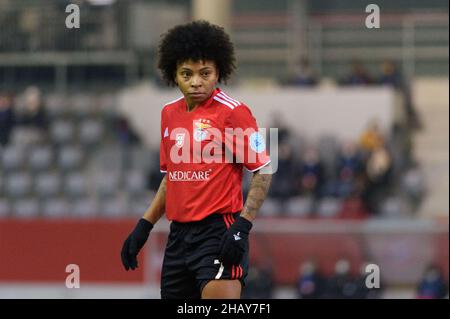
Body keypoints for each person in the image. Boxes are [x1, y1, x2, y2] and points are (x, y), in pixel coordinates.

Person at [120, 21, 273, 299]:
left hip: (218, 233)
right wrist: (144, 225)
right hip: (178, 237)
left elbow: (264, 168)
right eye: (186, 74)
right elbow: (171, 178)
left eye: (205, 73)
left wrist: (243, 225)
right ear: (173, 75)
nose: (196, 82)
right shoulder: (168, 114)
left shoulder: (233, 112)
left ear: (218, 73)